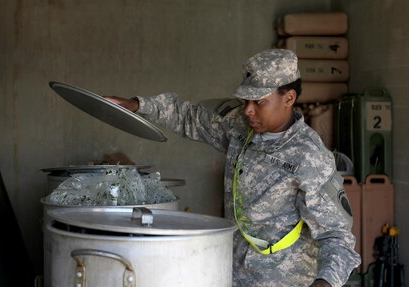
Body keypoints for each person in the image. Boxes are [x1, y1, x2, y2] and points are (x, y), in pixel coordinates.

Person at [105, 49, 361, 287]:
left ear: (289, 98)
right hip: (232, 272)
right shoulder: (240, 124)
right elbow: (188, 116)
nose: (248, 110)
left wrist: (325, 282)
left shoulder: (309, 157)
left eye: (259, 101)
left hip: (282, 280)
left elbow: (337, 236)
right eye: (245, 100)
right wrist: (138, 106)